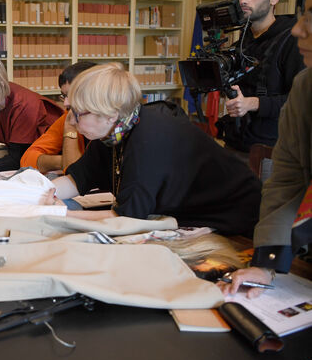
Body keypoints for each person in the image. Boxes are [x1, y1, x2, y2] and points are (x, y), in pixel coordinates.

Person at [51, 63, 262, 234]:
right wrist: (39, 193)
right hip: (185, 215)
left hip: (235, 220)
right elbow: (77, 179)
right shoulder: (113, 131)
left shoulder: (147, 140)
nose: (71, 120)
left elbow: (126, 218)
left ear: (109, 115)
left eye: (77, 113)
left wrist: (59, 214)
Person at [220, 0, 312, 298]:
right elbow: (288, 179)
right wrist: (266, 262)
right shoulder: (305, 87)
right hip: (241, 140)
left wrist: (255, 103)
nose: (299, 29)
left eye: (310, 17)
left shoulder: (287, 46)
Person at [217, 0, 305, 154]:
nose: (244, 1)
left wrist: (253, 103)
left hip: (269, 151)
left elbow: (302, 101)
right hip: (235, 142)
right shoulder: (243, 40)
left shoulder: (292, 41)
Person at [20, 61, 96, 173]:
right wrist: (64, 161)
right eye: (64, 96)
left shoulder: (114, 127)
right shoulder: (69, 116)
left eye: (73, 95)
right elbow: (27, 159)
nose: (65, 103)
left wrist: (72, 162)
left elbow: (77, 170)